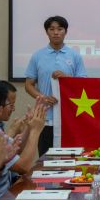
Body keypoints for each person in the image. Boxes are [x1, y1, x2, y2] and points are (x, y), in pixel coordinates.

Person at [24, 15, 87, 156]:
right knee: (45, 158)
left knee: (69, 158)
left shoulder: (75, 56)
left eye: (60, 29)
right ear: (47, 32)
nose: (56, 32)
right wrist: (43, 97)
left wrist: (67, 78)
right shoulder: (37, 56)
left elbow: (83, 84)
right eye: (52, 29)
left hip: (68, 117)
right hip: (45, 117)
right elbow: (28, 85)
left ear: (66, 32)